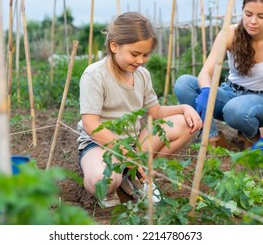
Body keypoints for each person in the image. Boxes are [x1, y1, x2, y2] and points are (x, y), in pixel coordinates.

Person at [77, 12, 202, 207]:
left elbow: (156, 112)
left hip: (135, 145)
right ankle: (112, 185)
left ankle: (137, 174)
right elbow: (90, 124)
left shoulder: (142, 75)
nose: (141, 60)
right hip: (99, 145)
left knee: (185, 123)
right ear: (114, 46)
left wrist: (185, 107)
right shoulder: (95, 75)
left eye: (145, 55)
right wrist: (123, 152)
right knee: (104, 180)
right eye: (135, 54)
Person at [174, 0, 263, 151]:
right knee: (184, 84)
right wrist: (205, 91)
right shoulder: (230, 33)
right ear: (242, 11)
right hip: (229, 93)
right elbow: (206, 72)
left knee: (236, 110)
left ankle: (250, 134)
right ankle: (212, 138)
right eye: (248, 14)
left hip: (260, 102)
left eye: (261, 16)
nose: (253, 21)